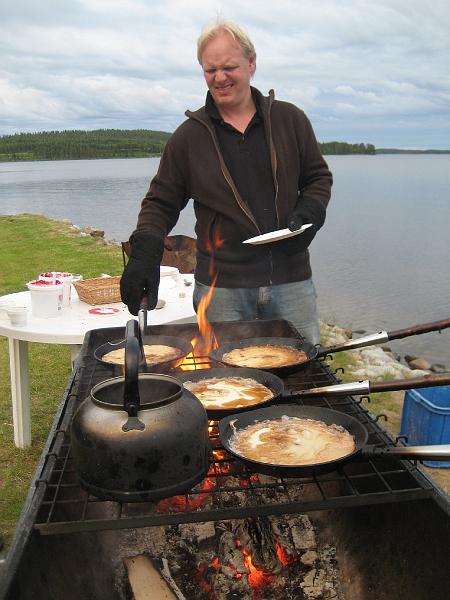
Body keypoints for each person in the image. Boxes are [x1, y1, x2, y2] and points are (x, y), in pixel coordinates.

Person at [120, 19, 332, 344]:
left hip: (292, 281)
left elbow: (317, 177)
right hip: (221, 289)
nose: (219, 78)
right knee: (226, 382)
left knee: (305, 375)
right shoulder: (189, 137)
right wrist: (144, 252)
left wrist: (310, 212)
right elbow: (161, 202)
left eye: (229, 67)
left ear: (251, 63)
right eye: (210, 69)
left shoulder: (290, 120)